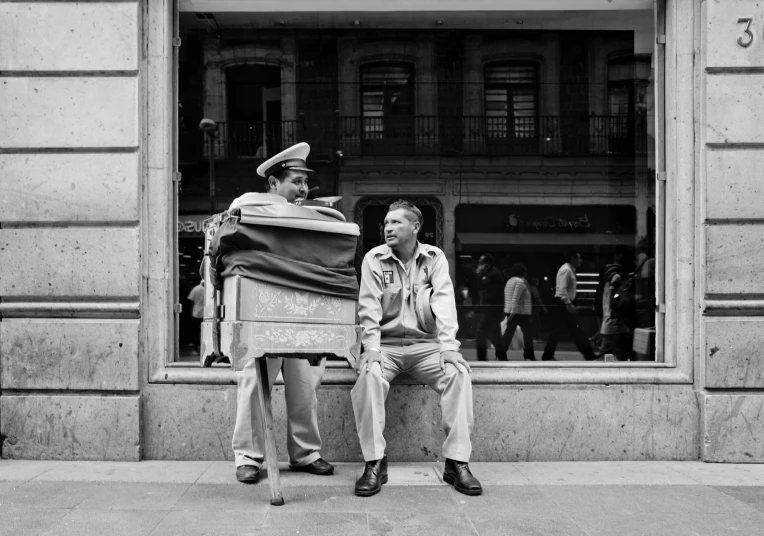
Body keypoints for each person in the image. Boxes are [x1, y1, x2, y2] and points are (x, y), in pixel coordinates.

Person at [351, 200, 482, 497]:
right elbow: (368, 305)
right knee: (369, 375)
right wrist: (370, 347)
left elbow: (445, 302)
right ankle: (374, 462)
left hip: (426, 347)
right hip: (385, 346)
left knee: (458, 373)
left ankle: (457, 462)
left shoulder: (434, 258)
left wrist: (448, 347)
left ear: (415, 227)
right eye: (386, 223)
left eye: (396, 222)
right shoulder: (374, 258)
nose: (388, 228)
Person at [232, 142, 335, 484]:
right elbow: (239, 212)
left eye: (305, 182)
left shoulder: (311, 214)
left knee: (304, 386)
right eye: (295, 181)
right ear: (274, 184)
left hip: (303, 313)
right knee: (253, 383)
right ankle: (249, 458)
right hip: (262, 311)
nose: (303, 189)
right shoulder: (252, 205)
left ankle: (306, 454)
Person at [541, 251, 597, 361]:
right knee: (573, 331)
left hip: (563, 302)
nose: (580, 260)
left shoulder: (568, 269)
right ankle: (588, 354)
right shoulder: (566, 270)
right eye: (579, 258)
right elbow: (562, 289)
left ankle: (547, 355)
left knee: (562, 330)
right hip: (563, 303)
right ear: (572, 258)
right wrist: (568, 303)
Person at [600, 246, 634, 361]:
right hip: (615, 326)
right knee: (622, 358)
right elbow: (612, 303)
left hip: (609, 326)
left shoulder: (610, 276)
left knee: (607, 357)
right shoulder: (616, 277)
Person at [475, 254, 508, 361]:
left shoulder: (493, 274)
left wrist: (479, 275)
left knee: (481, 334)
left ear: (487, 264)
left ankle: (482, 360)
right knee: (495, 336)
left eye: (481, 263)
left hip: (492, 310)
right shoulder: (492, 273)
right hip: (494, 310)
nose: (479, 265)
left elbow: (488, 292)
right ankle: (503, 359)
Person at [502, 264, 536, 361]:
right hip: (520, 312)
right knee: (528, 335)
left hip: (511, 311)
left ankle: (501, 354)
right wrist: (513, 312)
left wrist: (510, 311)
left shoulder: (509, 281)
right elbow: (515, 297)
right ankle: (529, 355)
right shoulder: (520, 282)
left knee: (508, 333)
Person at [186, 275, 205, 353]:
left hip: (196, 314)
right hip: (207, 314)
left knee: (196, 332)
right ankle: (203, 348)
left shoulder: (196, 289)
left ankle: (195, 348)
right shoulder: (209, 289)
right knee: (204, 332)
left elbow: (190, 301)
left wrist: (191, 314)